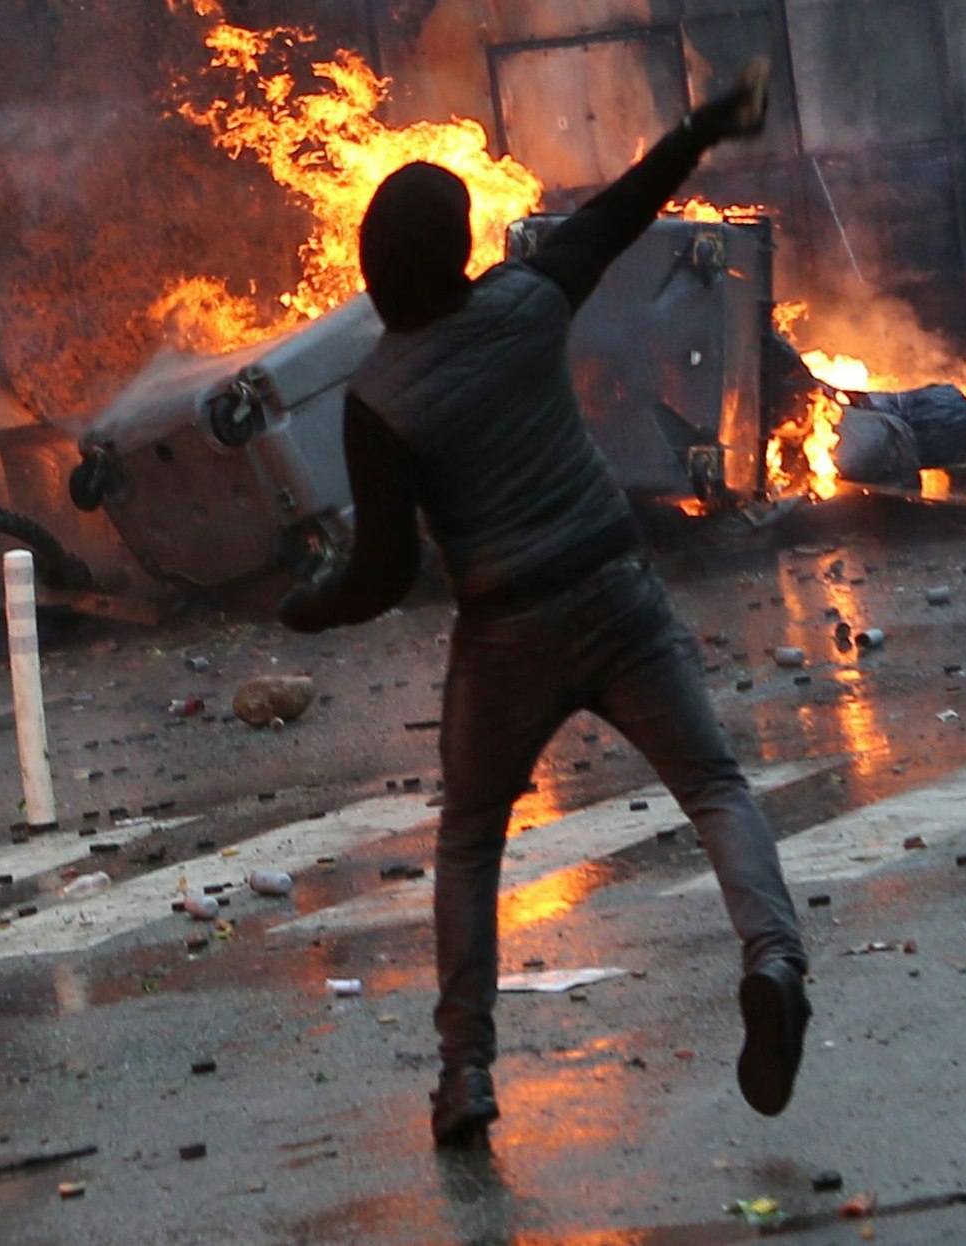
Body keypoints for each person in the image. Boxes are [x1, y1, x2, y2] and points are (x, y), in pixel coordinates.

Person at [279, 62, 810, 1146]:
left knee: (471, 838)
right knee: (711, 785)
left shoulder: (377, 398)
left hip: (504, 625)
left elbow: (380, 574)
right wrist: (699, 124)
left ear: (375, 273)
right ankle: (772, 960)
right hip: (614, 587)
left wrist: (311, 606)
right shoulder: (524, 302)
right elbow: (618, 210)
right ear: (461, 252)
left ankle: (465, 1074)